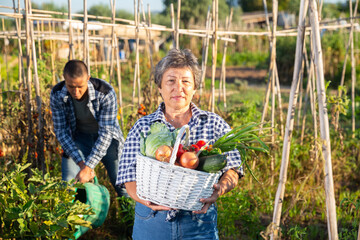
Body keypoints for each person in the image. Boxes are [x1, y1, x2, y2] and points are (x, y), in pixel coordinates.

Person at [116, 49, 243, 239]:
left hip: (198, 221)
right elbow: (127, 175)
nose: (179, 88)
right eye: (171, 81)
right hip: (151, 221)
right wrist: (147, 201)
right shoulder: (143, 127)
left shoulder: (214, 123)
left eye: (185, 81)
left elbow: (233, 168)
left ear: (194, 87)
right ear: (159, 87)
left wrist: (220, 189)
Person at [50, 59, 126, 197]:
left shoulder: (105, 93)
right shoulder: (57, 94)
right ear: (64, 80)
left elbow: (106, 133)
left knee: (122, 185)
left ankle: (132, 217)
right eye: (71, 86)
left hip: (107, 142)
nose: (76, 91)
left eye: (80, 86)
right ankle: (77, 217)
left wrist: (88, 166)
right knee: (69, 186)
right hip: (79, 139)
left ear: (88, 79)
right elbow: (61, 131)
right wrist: (80, 163)